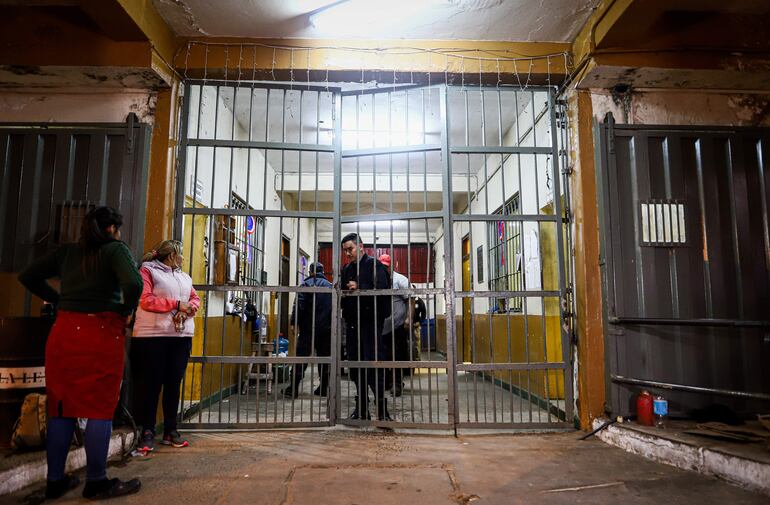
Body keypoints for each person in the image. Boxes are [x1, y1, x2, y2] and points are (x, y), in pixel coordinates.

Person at [18, 207, 143, 500]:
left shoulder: (67, 253)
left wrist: (59, 299)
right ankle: (97, 481)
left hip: (63, 332)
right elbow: (134, 283)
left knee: (62, 407)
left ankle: (55, 480)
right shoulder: (115, 250)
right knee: (99, 407)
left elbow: (28, 275)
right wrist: (125, 311)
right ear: (112, 228)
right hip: (99, 333)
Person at [131, 240, 200, 452]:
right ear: (172, 255)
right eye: (180, 255)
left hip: (179, 337)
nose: (183, 259)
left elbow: (194, 298)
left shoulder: (183, 276)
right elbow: (146, 300)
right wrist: (176, 304)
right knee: (151, 385)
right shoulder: (148, 271)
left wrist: (188, 309)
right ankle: (148, 431)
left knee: (173, 384)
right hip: (153, 336)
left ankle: (171, 430)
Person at [340, 233, 391, 421]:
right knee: (355, 364)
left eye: (350, 249)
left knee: (373, 364)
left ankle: (382, 409)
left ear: (361, 246)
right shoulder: (346, 269)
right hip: (353, 325)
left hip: (370, 324)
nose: (347, 253)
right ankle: (362, 407)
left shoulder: (375, 266)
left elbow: (384, 292)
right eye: (345, 250)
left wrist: (360, 286)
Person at [282, 262, 332, 398]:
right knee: (325, 359)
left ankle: (293, 388)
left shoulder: (305, 285)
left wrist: (294, 322)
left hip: (307, 329)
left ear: (310, 272)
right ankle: (323, 388)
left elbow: (299, 306)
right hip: (326, 329)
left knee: (301, 358)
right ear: (323, 271)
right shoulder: (330, 287)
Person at [378, 254, 411, 397]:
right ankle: (386, 382)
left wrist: (409, 318)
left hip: (397, 325)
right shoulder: (376, 280)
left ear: (391, 265)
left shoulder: (400, 279)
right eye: (382, 265)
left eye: (386, 265)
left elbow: (410, 300)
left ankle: (397, 383)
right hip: (381, 325)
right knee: (383, 355)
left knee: (397, 355)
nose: (384, 268)